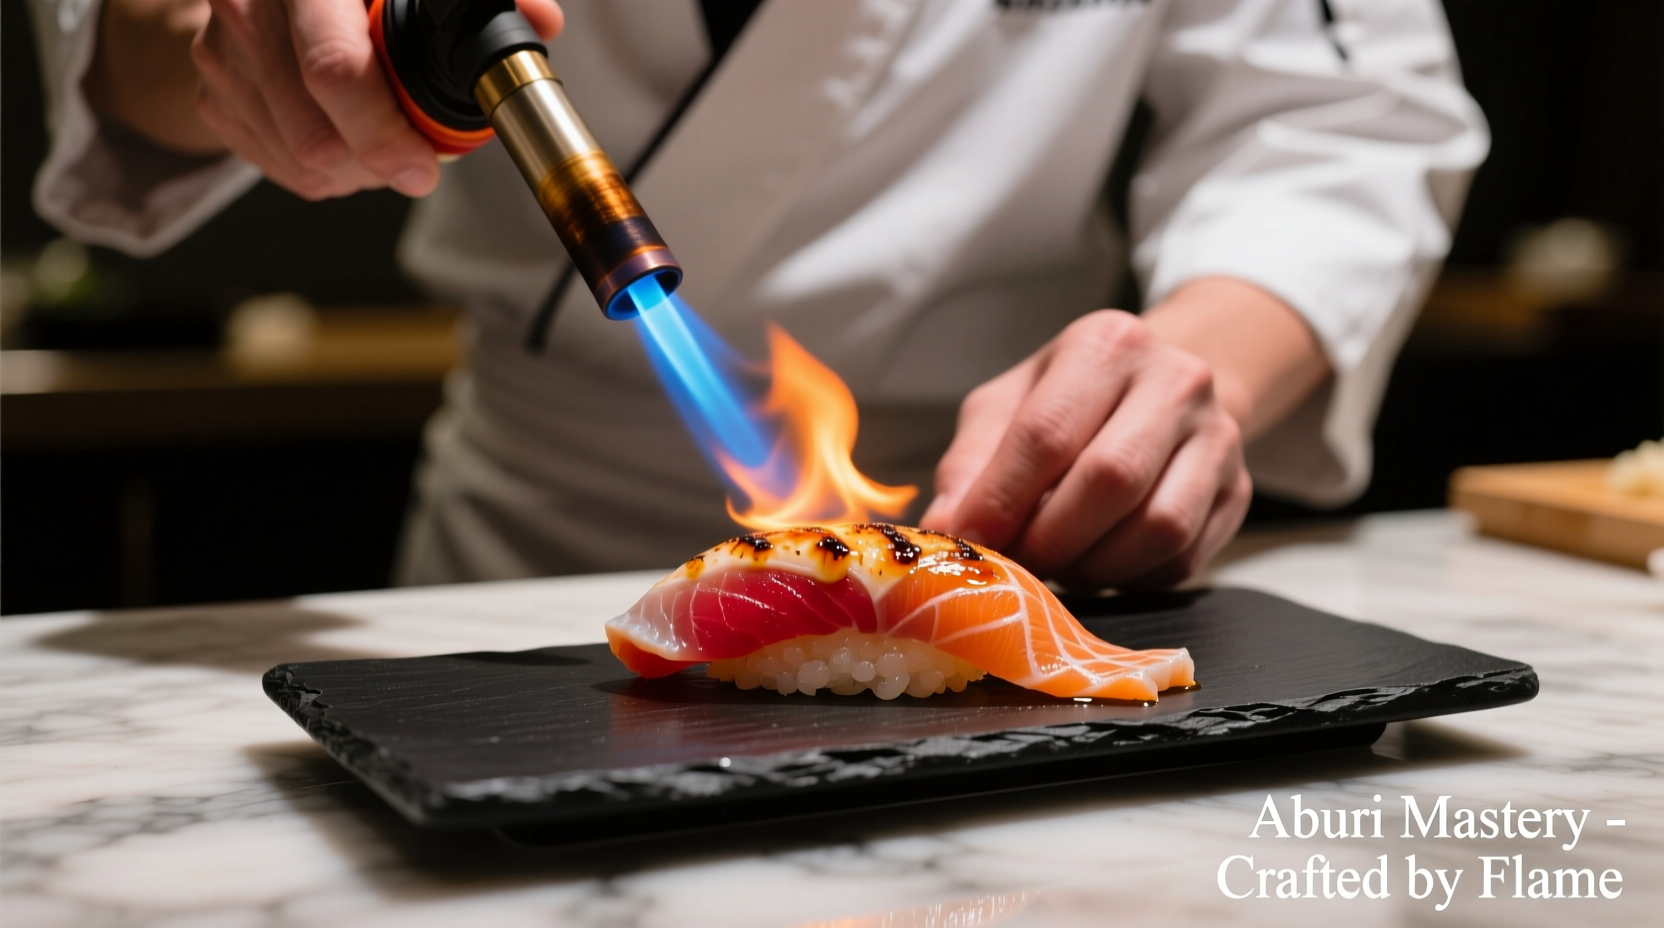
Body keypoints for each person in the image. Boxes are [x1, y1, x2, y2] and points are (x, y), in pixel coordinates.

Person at [28, 0, 1487, 589]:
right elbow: (135, 45)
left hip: (1013, 532)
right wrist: (229, 32)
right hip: (527, 561)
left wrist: (1186, 377)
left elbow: (1341, 121)